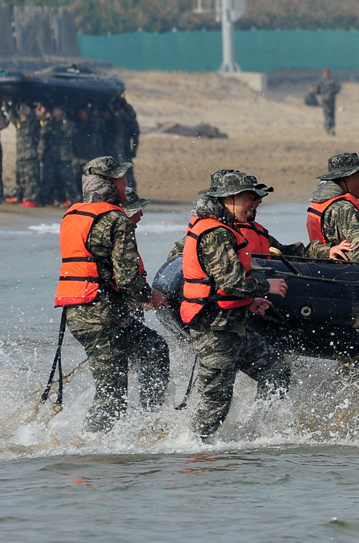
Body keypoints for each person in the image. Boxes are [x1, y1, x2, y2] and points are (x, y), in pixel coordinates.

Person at [53, 156, 170, 432]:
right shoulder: (116, 221)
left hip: (83, 313)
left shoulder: (73, 214)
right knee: (112, 398)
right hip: (101, 319)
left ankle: (151, 421)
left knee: (154, 349)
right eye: (119, 179)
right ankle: (92, 451)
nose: (125, 182)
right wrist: (149, 297)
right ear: (106, 184)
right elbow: (128, 278)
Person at [179, 169, 292, 441]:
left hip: (233, 325)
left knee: (276, 371)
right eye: (248, 198)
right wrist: (267, 287)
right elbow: (231, 283)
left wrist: (250, 301)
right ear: (228, 198)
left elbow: (225, 286)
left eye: (256, 198)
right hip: (214, 330)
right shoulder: (215, 233)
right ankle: (193, 449)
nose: (254, 204)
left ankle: (259, 434)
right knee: (215, 403)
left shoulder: (225, 229)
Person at [306, 152, 359, 261]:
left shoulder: (321, 204)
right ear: (347, 177)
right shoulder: (344, 207)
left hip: (327, 268)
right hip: (350, 272)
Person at [39, 104, 77, 205]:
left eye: (57, 109)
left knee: (68, 180)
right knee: (47, 179)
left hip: (64, 156)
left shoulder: (67, 123)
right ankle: (43, 200)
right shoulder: (50, 123)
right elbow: (44, 135)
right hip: (51, 156)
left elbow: (68, 134)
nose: (55, 111)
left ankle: (74, 201)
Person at [10, 100, 43, 206]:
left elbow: (31, 115)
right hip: (21, 156)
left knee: (31, 178)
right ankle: (21, 196)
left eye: (23, 114)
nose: (22, 116)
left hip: (30, 155)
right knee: (21, 178)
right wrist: (11, 106)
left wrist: (24, 105)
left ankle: (32, 199)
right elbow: (11, 117)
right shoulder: (20, 124)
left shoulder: (33, 124)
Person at [311, 68, 341, 135]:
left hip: (324, 98)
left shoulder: (321, 80)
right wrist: (333, 93)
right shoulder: (333, 80)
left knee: (326, 113)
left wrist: (320, 93)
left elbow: (317, 90)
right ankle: (332, 128)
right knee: (331, 113)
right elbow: (338, 88)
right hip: (331, 98)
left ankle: (328, 128)